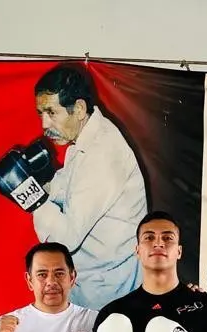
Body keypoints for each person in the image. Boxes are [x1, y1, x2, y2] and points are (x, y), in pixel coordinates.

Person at [30, 63, 148, 310]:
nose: (44, 124)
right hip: (93, 285)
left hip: (108, 294)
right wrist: (40, 183)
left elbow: (65, 239)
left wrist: (31, 198)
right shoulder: (85, 139)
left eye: (51, 112)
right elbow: (68, 187)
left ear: (80, 109)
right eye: (41, 113)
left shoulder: (102, 153)